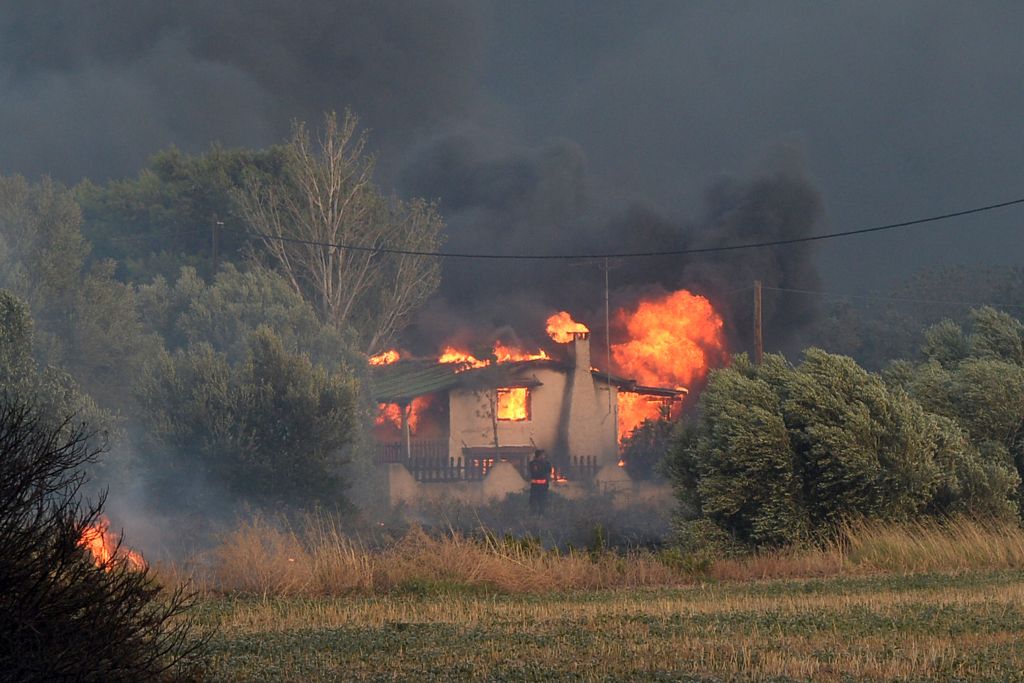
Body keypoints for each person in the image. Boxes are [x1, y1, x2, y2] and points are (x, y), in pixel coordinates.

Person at [528, 449, 553, 515]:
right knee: (533, 502)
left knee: (543, 502)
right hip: (535, 487)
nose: (544, 456)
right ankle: (533, 515)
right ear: (539, 455)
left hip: (543, 486)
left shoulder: (546, 463)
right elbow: (536, 472)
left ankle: (541, 515)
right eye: (543, 455)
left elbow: (549, 470)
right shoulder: (533, 463)